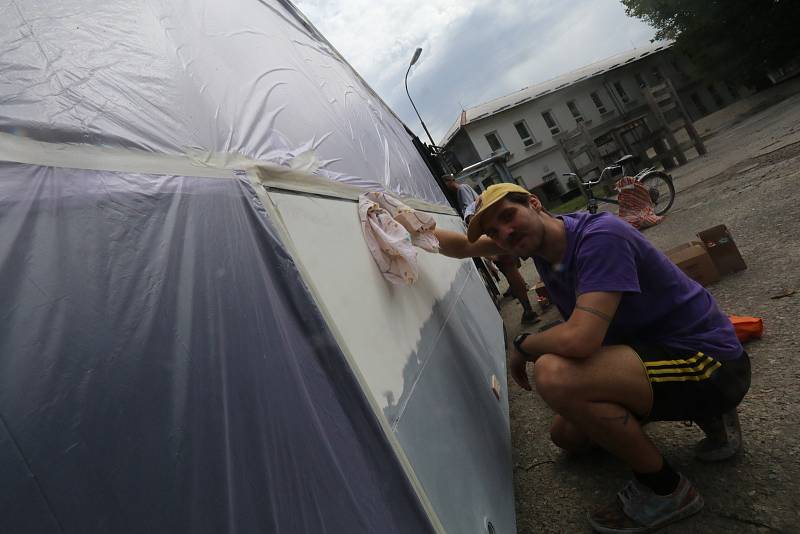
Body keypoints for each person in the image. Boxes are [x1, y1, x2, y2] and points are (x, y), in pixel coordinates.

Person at [434, 183, 750, 533]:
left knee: (554, 375)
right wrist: (403, 221)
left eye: (508, 216)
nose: (504, 233)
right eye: (495, 231)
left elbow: (582, 339)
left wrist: (522, 346)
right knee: (568, 438)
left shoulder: (600, 237)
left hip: (707, 361)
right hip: (650, 352)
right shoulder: (532, 238)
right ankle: (701, 411)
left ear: (535, 204)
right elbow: (462, 246)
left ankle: (667, 489)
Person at [464, 197, 540, 325]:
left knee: (511, 272)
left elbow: (478, 237)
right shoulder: (486, 200)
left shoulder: (470, 212)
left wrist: (490, 254)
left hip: (497, 246)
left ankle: (528, 311)